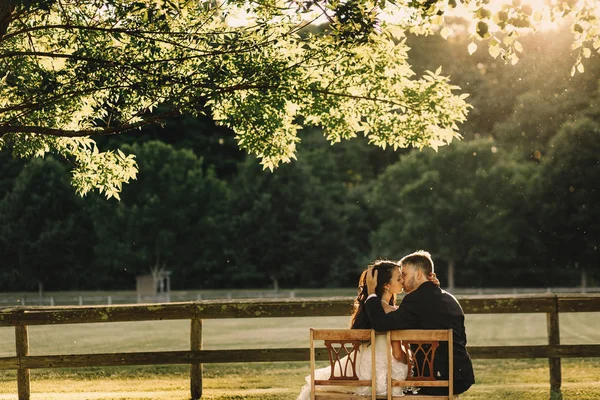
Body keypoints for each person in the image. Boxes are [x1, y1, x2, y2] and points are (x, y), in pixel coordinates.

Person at [296, 260, 415, 399]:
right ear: (387, 285)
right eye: (399, 278)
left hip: (358, 371)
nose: (403, 280)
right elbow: (397, 354)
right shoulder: (392, 313)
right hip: (381, 377)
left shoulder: (366, 312)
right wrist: (411, 361)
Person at [365, 250, 475, 396]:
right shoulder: (450, 299)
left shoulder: (414, 300)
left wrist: (371, 292)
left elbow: (380, 324)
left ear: (418, 274)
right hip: (461, 375)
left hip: (434, 379)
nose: (402, 280)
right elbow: (462, 338)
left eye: (404, 274)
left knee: (392, 390)